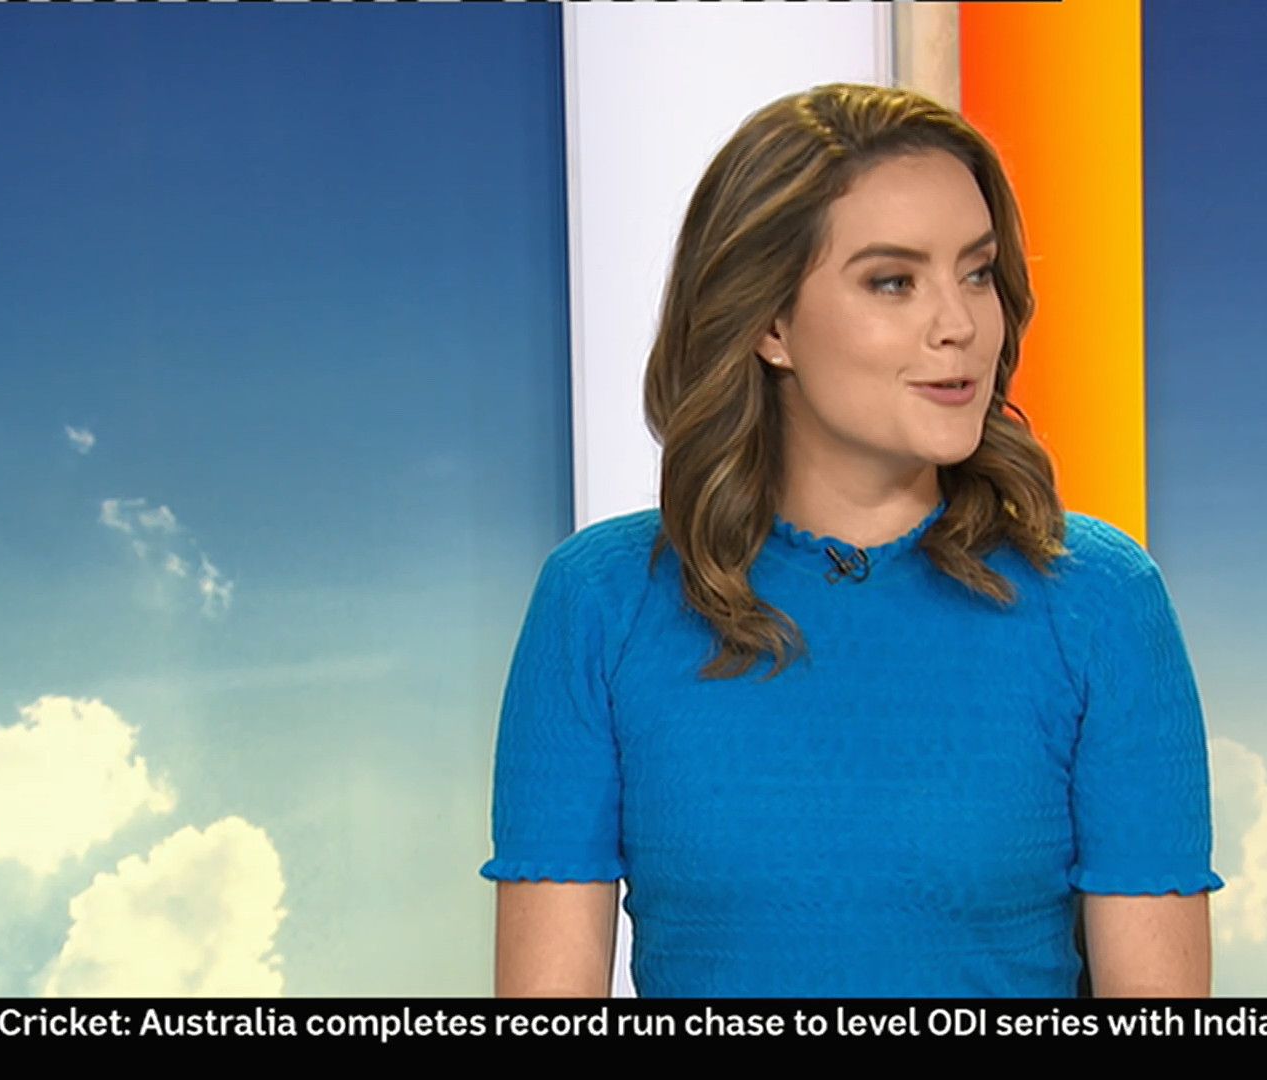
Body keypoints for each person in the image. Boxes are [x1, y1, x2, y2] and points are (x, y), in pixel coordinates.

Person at [482, 82, 1225, 998]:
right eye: (894, 282)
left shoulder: (1100, 601)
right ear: (771, 325)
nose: (960, 325)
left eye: (978, 272)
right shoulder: (601, 603)